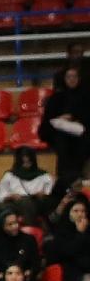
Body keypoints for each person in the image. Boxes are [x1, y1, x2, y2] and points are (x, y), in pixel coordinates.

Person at [42, 65, 90, 197]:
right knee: (62, 141)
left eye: (74, 76)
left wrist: (75, 118)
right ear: (64, 79)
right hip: (60, 134)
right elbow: (47, 121)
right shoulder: (56, 98)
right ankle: (64, 179)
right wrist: (61, 119)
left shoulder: (86, 96)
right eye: (69, 77)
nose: (72, 79)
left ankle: (77, 176)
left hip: (82, 133)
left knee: (83, 142)